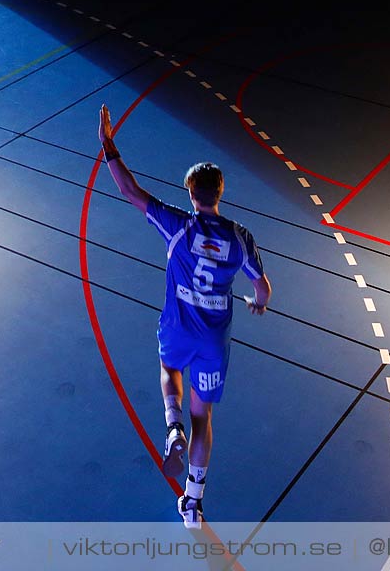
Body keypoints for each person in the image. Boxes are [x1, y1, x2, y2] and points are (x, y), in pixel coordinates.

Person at [96, 104, 269, 530]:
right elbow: (263, 288)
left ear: (192, 194)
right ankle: (193, 503)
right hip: (214, 343)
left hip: (177, 329)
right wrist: (258, 301)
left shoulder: (178, 226)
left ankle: (171, 427)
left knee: (168, 368)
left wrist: (108, 145)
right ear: (221, 192)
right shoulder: (240, 238)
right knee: (203, 418)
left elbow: (131, 192)